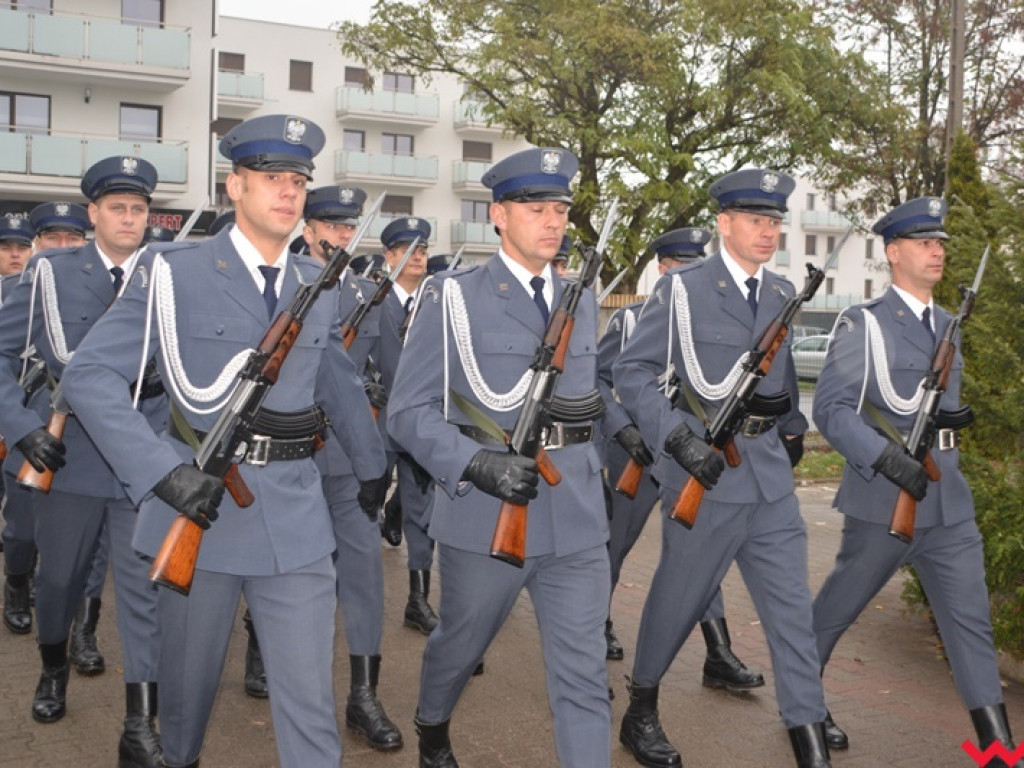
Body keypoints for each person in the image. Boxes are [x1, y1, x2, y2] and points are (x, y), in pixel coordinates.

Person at [61, 115, 388, 768]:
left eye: (297, 179)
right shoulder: (173, 269)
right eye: (272, 178)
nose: (289, 191)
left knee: (309, 708)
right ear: (235, 186)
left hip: (295, 520)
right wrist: (160, 472)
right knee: (185, 709)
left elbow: (337, 381)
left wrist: (375, 469)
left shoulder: (313, 283)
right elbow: (89, 375)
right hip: (197, 510)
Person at [388, 146, 612, 766]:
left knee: (585, 677)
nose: (552, 220)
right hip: (486, 511)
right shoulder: (452, 297)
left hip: (575, 512)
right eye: (536, 207)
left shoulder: (582, 299)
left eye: (560, 208)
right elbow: (407, 413)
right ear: (499, 215)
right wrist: (473, 464)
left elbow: (590, 399)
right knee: (461, 643)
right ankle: (433, 722)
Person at [612, 168, 831, 768]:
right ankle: (642, 708)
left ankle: (808, 734)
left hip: (767, 477)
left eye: (775, 222)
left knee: (790, 611)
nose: (768, 232)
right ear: (724, 224)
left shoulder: (785, 293)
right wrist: (676, 440)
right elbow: (633, 373)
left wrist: (792, 433)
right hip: (703, 472)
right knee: (678, 600)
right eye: (756, 220)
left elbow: (781, 382)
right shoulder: (682, 289)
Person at [811, 197, 1023, 762]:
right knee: (836, 611)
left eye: (941, 244)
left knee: (970, 623)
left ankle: (998, 746)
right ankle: (803, 702)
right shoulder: (865, 324)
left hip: (947, 501)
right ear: (894, 252)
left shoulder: (950, 325)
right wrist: (884, 458)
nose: (937, 252)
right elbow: (832, 410)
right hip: (885, 499)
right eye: (926, 243)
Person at [0, 157, 166, 767]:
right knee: (61, 579)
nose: (129, 218)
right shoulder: (49, 271)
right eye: (117, 208)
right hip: (68, 452)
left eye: (139, 209)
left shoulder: (168, 273)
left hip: (145, 455)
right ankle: (51, 671)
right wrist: (21, 430)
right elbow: (2, 354)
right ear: (93, 213)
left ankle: (139, 721)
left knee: (146, 590)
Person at [599, 226, 765, 693]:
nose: (690, 272)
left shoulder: (720, 320)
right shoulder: (629, 322)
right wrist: (623, 429)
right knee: (614, 545)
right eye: (680, 264)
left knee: (699, 558)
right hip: (638, 450)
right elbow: (599, 381)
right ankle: (593, 631)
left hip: (690, 455)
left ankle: (717, 652)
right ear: (663, 269)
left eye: (697, 262)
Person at [299, 183, 403, 750]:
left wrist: (378, 456)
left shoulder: (372, 297)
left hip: (350, 464)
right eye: (331, 225)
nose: (342, 235)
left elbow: (398, 380)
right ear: (308, 229)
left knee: (362, 576)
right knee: (283, 571)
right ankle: (263, 652)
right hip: (288, 461)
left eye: (348, 226)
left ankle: (363, 695)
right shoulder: (282, 286)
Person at [27, 200, 111, 676]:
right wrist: (22, 429)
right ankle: (52, 668)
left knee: (103, 553)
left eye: (70, 237)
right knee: (56, 567)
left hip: (121, 442)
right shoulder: (42, 278)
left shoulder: (148, 275)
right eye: (52, 237)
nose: (62, 246)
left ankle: (86, 632)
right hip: (60, 436)